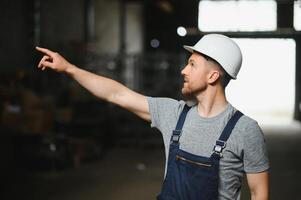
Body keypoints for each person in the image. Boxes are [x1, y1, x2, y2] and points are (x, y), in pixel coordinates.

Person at [36, 33, 269, 200]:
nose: (183, 71)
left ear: (212, 76)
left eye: (191, 64)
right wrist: (70, 69)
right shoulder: (174, 114)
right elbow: (116, 94)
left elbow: (259, 193)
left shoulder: (245, 130)